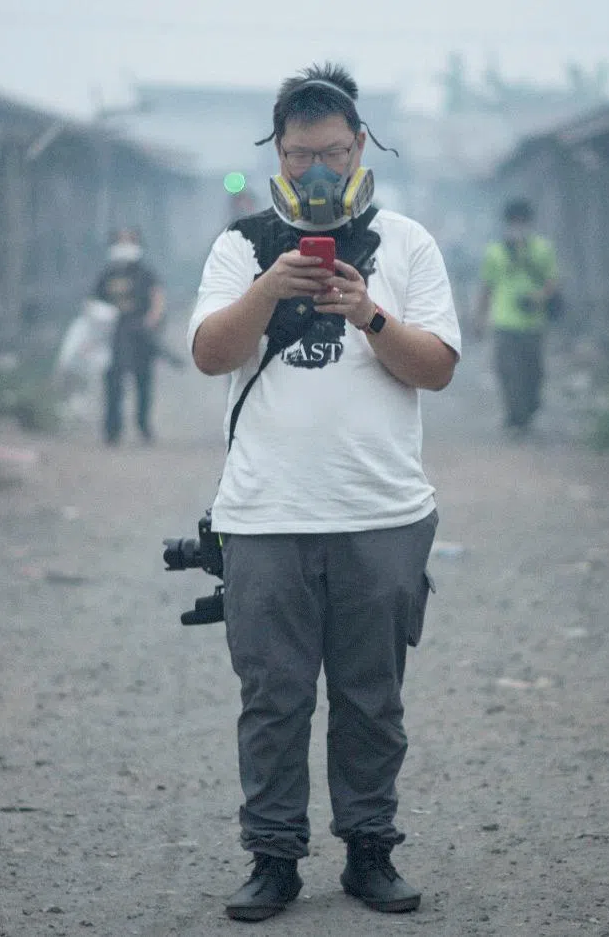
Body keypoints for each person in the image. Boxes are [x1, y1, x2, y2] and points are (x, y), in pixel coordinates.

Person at [188, 63, 461, 922]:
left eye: (334, 153)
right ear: (278, 153)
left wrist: (368, 313)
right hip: (264, 516)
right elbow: (209, 354)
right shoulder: (239, 248)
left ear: (361, 149)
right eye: (302, 155)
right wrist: (270, 289)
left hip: (382, 513)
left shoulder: (408, 246)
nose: (318, 172)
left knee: (371, 697)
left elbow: (440, 369)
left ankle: (370, 852)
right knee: (273, 698)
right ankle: (273, 859)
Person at [474, 198, 558, 434]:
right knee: (507, 372)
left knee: (534, 372)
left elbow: (552, 281)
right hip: (503, 322)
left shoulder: (542, 249)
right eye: (514, 222)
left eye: (522, 222)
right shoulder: (495, 252)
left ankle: (529, 410)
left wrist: (539, 297)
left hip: (533, 323)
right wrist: (480, 318)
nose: (518, 226)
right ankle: (515, 416)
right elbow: (486, 286)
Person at [93, 227, 165, 444]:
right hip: (114, 335)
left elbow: (157, 296)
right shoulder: (107, 273)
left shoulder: (145, 272)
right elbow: (94, 301)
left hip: (141, 332)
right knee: (113, 382)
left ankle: (143, 426)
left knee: (144, 382)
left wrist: (152, 319)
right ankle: (112, 429)